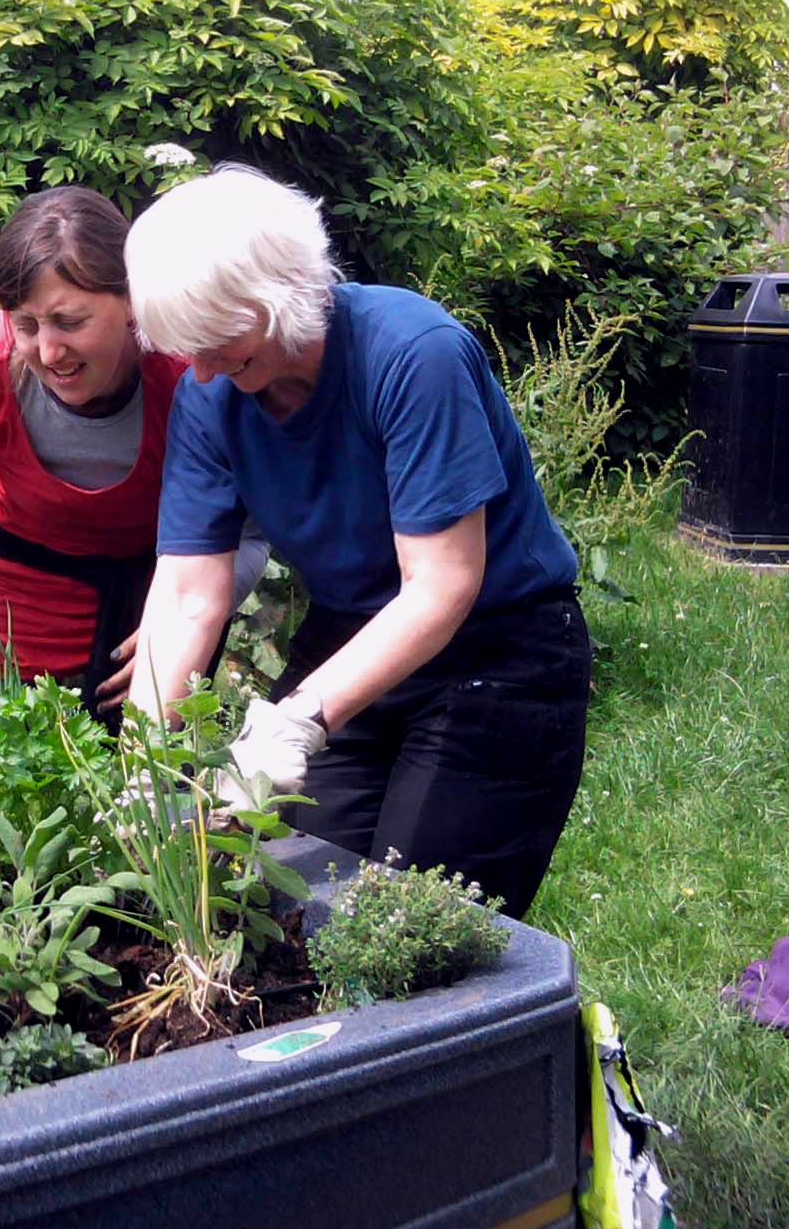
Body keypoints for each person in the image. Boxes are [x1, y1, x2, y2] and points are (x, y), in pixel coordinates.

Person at [123, 165, 591, 918]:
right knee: (284, 902)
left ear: (282, 291)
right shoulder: (212, 393)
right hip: (350, 640)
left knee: (415, 923)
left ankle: (565, 1033)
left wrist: (300, 722)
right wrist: (145, 758)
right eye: (187, 348)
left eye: (218, 341)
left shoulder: (412, 353)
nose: (201, 368)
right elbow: (184, 596)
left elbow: (442, 584)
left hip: (499, 651)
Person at [0, 185, 266, 719]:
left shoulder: (195, 376)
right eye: (25, 325)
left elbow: (251, 537)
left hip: (161, 593)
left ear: (132, 304)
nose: (49, 352)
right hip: (5, 597)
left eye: (71, 323)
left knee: (149, 791)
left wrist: (186, 621)